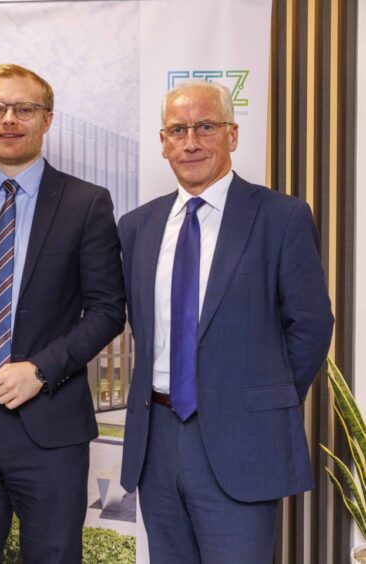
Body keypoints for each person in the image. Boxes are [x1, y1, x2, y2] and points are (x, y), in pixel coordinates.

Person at [118, 80, 334, 563]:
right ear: (163, 142)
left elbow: (311, 325)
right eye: (178, 130)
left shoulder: (281, 217)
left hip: (243, 440)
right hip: (157, 442)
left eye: (205, 126)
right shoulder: (137, 227)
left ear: (232, 135)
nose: (191, 142)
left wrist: (262, 399)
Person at [0, 64, 126, 564]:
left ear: (47, 119)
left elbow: (106, 310)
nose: (9, 119)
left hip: (49, 425)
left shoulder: (86, 202)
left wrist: (40, 370)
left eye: (24, 109)